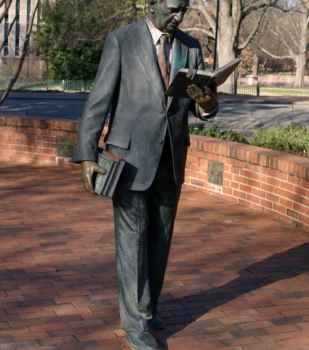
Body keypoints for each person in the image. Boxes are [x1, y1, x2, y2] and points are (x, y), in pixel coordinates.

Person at [73, 0, 218, 349]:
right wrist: (86, 155)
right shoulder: (122, 40)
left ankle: (148, 307)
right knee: (133, 243)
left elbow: (204, 108)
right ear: (151, 5)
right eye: (171, 8)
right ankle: (136, 326)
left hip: (170, 159)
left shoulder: (191, 47)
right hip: (129, 159)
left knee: (159, 241)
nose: (177, 17)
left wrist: (208, 103)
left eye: (183, 9)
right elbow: (98, 101)